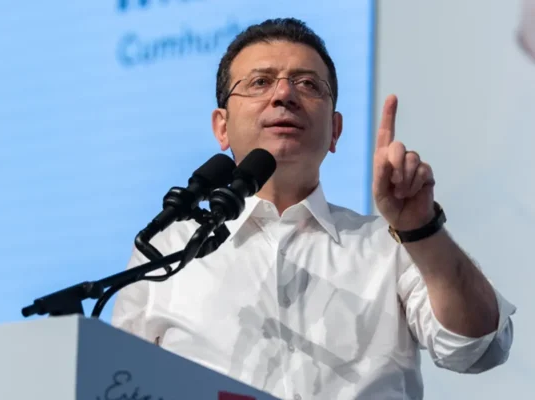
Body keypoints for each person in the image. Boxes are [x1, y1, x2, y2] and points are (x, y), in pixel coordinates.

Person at [112, 18, 516, 400]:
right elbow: (114, 379)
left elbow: (478, 346)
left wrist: (421, 228)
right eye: (260, 82)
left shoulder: (388, 246)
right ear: (222, 126)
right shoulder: (167, 249)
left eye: (307, 84)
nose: (283, 95)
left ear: (335, 130)